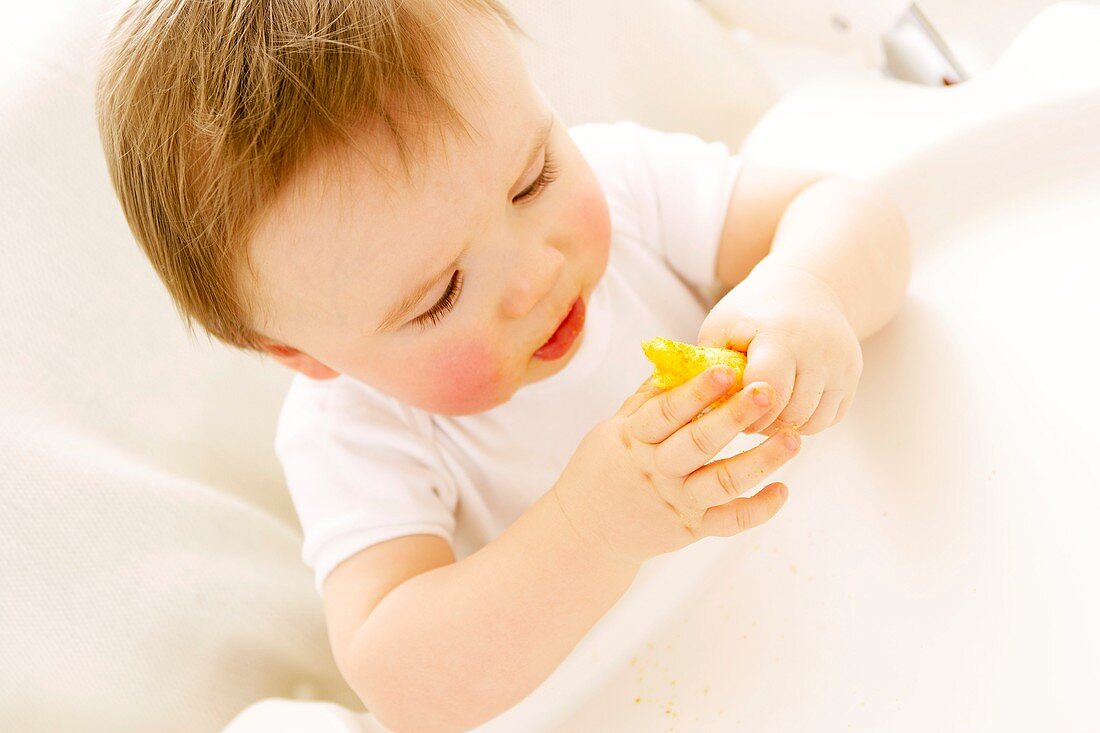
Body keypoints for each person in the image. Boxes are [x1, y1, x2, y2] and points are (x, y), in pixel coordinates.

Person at [95, 1, 911, 730]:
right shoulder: (353, 433)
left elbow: (852, 212)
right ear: (309, 357)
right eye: (440, 296)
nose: (533, 276)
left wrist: (806, 286)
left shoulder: (624, 187)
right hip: (646, 685)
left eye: (532, 181)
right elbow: (403, 682)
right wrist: (590, 529)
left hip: (841, 562)